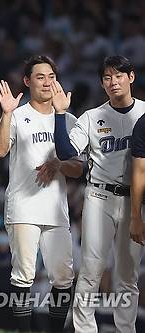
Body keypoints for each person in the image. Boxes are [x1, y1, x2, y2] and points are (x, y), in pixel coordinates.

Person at [54, 55, 145, 333]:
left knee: (128, 275)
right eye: (107, 77)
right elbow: (67, 152)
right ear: (102, 83)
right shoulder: (92, 117)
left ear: (131, 77)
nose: (113, 81)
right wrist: (60, 115)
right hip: (99, 196)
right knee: (92, 269)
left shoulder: (143, 112)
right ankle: (84, 330)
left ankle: (126, 330)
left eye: (118, 75)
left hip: (135, 200)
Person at [0, 55, 80, 332]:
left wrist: (59, 164)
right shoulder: (18, 115)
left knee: (64, 276)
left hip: (56, 209)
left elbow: (79, 169)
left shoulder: (67, 118)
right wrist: (6, 113)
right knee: (23, 276)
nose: (46, 82)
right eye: (40, 77)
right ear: (27, 81)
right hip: (23, 206)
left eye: (51, 77)